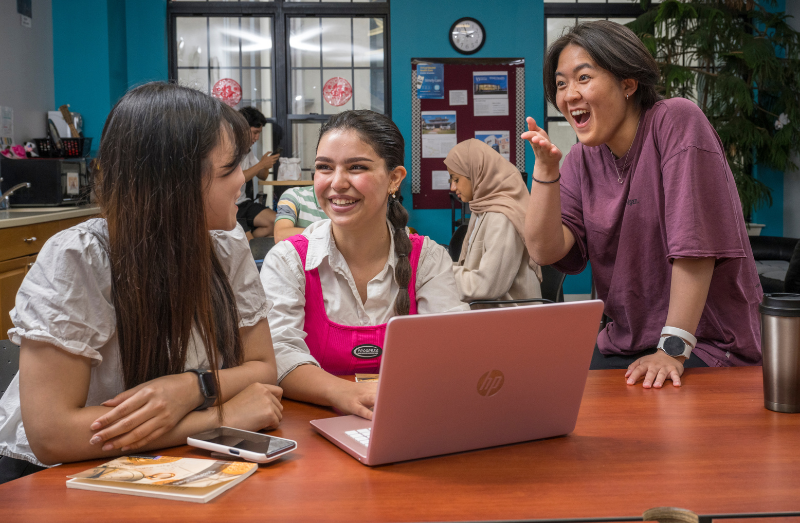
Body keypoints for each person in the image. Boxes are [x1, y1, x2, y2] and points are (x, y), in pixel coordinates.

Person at [0, 83, 283, 484]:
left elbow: (263, 368)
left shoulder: (226, 242)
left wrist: (191, 387)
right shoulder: (79, 257)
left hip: (173, 465)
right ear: (174, 183)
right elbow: (53, 435)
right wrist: (220, 415)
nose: (242, 179)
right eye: (229, 169)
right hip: (62, 477)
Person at [522, 21, 762, 389]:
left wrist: (672, 349)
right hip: (627, 344)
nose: (569, 94)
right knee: (547, 395)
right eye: (561, 83)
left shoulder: (675, 121)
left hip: (710, 346)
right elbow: (543, 249)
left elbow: (694, 249)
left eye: (583, 77)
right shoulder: (578, 160)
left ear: (628, 83)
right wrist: (545, 169)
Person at [260, 110, 467, 420]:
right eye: (324, 168)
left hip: (407, 417)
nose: (337, 182)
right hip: (310, 429)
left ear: (394, 179)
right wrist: (345, 393)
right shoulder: (289, 259)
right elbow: (279, 353)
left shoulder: (427, 258)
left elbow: (450, 349)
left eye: (356, 167)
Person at [445, 139, 542, 308]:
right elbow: (471, 268)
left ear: (476, 173)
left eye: (456, 179)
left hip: (511, 322)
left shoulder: (502, 216)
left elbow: (487, 285)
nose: (453, 187)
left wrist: (435, 275)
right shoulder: (481, 208)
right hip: (491, 314)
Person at [236, 106, 281, 239]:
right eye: (255, 132)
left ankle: (249, 244)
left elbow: (262, 176)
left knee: (276, 223)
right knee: (247, 240)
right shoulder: (229, 149)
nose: (257, 137)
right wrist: (261, 164)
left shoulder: (248, 150)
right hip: (228, 206)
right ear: (242, 128)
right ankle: (247, 243)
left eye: (259, 133)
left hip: (243, 202)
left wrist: (266, 165)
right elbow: (235, 179)